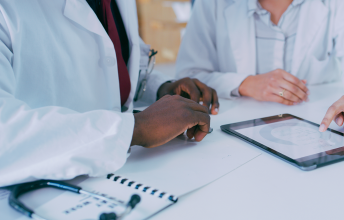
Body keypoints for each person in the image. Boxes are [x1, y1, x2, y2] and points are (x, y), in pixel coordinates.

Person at [0, 0, 219, 187]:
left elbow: (115, 62)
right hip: (46, 190)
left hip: (134, 174)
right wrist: (135, 128)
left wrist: (160, 88)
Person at [176, 0, 344, 133]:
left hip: (313, 129)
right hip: (231, 130)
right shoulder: (212, 4)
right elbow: (188, 76)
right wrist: (244, 84)